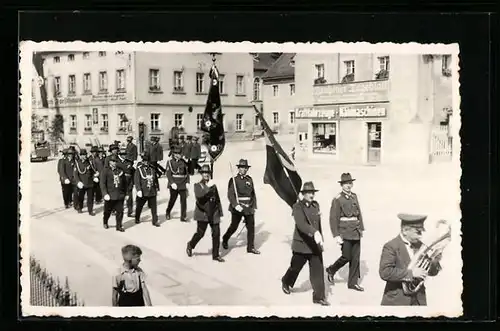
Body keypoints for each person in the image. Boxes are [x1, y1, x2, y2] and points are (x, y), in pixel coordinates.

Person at [281, 182, 330, 306]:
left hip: (315, 246)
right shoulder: (297, 207)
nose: (311, 195)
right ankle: (286, 281)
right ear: (303, 194)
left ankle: (319, 297)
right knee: (295, 268)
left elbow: (318, 226)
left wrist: (321, 239)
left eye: (313, 193)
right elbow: (301, 225)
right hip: (302, 245)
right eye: (309, 193)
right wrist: (314, 232)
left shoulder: (315, 206)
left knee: (318, 271)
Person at [379, 214, 442, 306]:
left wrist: (435, 261)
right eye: (418, 232)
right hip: (397, 301)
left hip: (419, 301)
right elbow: (385, 272)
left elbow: (432, 273)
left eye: (421, 232)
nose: (420, 236)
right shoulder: (391, 246)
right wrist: (411, 274)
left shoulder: (421, 246)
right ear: (405, 231)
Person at [325, 173, 365, 292]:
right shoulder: (338, 199)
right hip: (345, 232)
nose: (348, 185)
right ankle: (331, 269)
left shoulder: (354, 196)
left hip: (355, 231)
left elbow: (359, 213)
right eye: (345, 184)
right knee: (346, 256)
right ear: (341, 185)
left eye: (349, 183)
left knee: (356, 258)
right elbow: (333, 218)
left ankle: (353, 283)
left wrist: (361, 228)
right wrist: (336, 235)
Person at [186, 164, 225, 262]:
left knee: (216, 233)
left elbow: (217, 199)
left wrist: (220, 211)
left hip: (214, 213)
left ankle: (215, 255)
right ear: (201, 174)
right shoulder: (197, 186)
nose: (206, 175)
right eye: (204, 173)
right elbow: (200, 198)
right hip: (203, 214)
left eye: (207, 173)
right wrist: (208, 188)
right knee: (200, 233)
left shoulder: (213, 185)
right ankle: (190, 245)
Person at [222, 159, 260, 255]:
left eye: (245, 168)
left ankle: (250, 247)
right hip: (238, 207)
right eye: (242, 167)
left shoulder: (249, 179)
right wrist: (235, 205)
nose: (244, 169)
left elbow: (252, 194)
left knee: (251, 227)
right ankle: (225, 238)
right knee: (234, 226)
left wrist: (253, 205)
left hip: (248, 207)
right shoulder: (234, 180)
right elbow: (230, 194)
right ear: (238, 168)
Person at [100, 155, 128, 232]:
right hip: (110, 195)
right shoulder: (105, 171)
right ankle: (105, 222)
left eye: (115, 161)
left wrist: (126, 193)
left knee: (120, 211)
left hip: (119, 195)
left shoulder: (120, 171)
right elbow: (102, 183)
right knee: (107, 211)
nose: (114, 163)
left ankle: (118, 226)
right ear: (109, 162)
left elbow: (125, 183)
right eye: (113, 161)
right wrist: (105, 194)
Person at [134, 152, 160, 227]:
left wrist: (157, 187)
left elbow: (155, 179)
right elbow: (137, 180)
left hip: (152, 191)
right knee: (139, 206)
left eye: (147, 161)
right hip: (143, 191)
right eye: (144, 160)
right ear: (142, 161)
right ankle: (137, 217)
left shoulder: (152, 168)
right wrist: (138, 190)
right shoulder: (139, 169)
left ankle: (155, 220)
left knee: (154, 207)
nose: (146, 162)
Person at [165, 146, 190, 222]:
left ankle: (183, 216)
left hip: (182, 184)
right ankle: (168, 211)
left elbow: (187, 173)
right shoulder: (170, 162)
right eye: (176, 153)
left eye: (179, 153)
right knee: (172, 200)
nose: (178, 155)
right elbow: (168, 174)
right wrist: (172, 183)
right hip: (174, 184)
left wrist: (188, 182)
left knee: (183, 201)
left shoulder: (183, 162)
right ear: (174, 154)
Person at [73, 149, 95, 215]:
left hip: (90, 183)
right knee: (81, 197)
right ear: (80, 156)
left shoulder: (90, 162)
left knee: (90, 198)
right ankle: (80, 207)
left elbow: (93, 171)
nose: (84, 157)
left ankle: (90, 210)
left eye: (85, 155)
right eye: (82, 155)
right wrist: (78, 182)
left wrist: (95, 176)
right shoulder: (77, 163)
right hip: (82, 183)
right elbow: (75, 174)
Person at [119, 149, 135, 218]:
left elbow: (133, 172)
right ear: (120, 155)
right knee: (119, 198)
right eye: (123, 154)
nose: (124, 156)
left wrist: (133, 182)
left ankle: (130, 212)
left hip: (129, 183)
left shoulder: (129, 162)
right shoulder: (117, 163)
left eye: (125, 154)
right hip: (120, 183)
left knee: (130, 198)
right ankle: (117, 211)